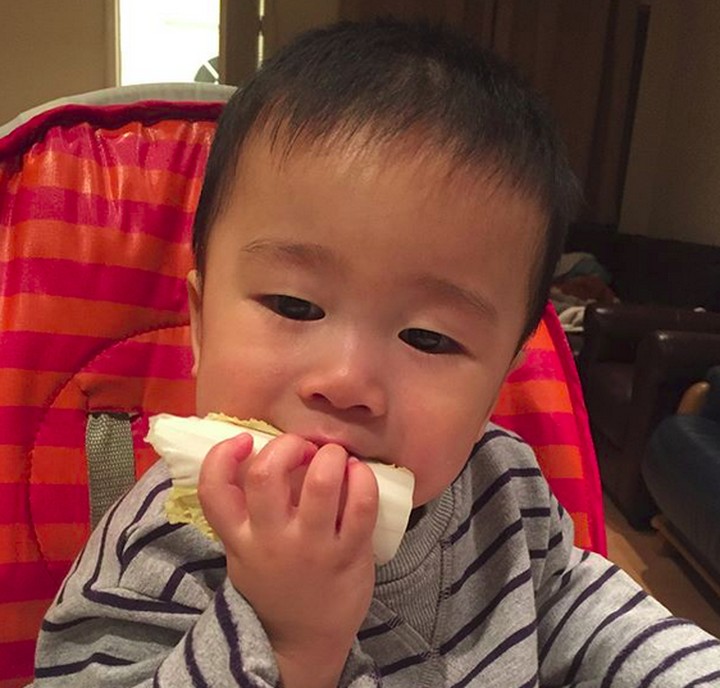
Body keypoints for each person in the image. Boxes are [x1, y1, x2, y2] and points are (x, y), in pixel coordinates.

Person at [33, 19, 720, 688]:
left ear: (499, 380)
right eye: (294, 306)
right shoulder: (161, 545)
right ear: (201, 325)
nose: (347, 381)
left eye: (428, 338)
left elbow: (571, 603)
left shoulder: (501, 486)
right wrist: (287, 641)